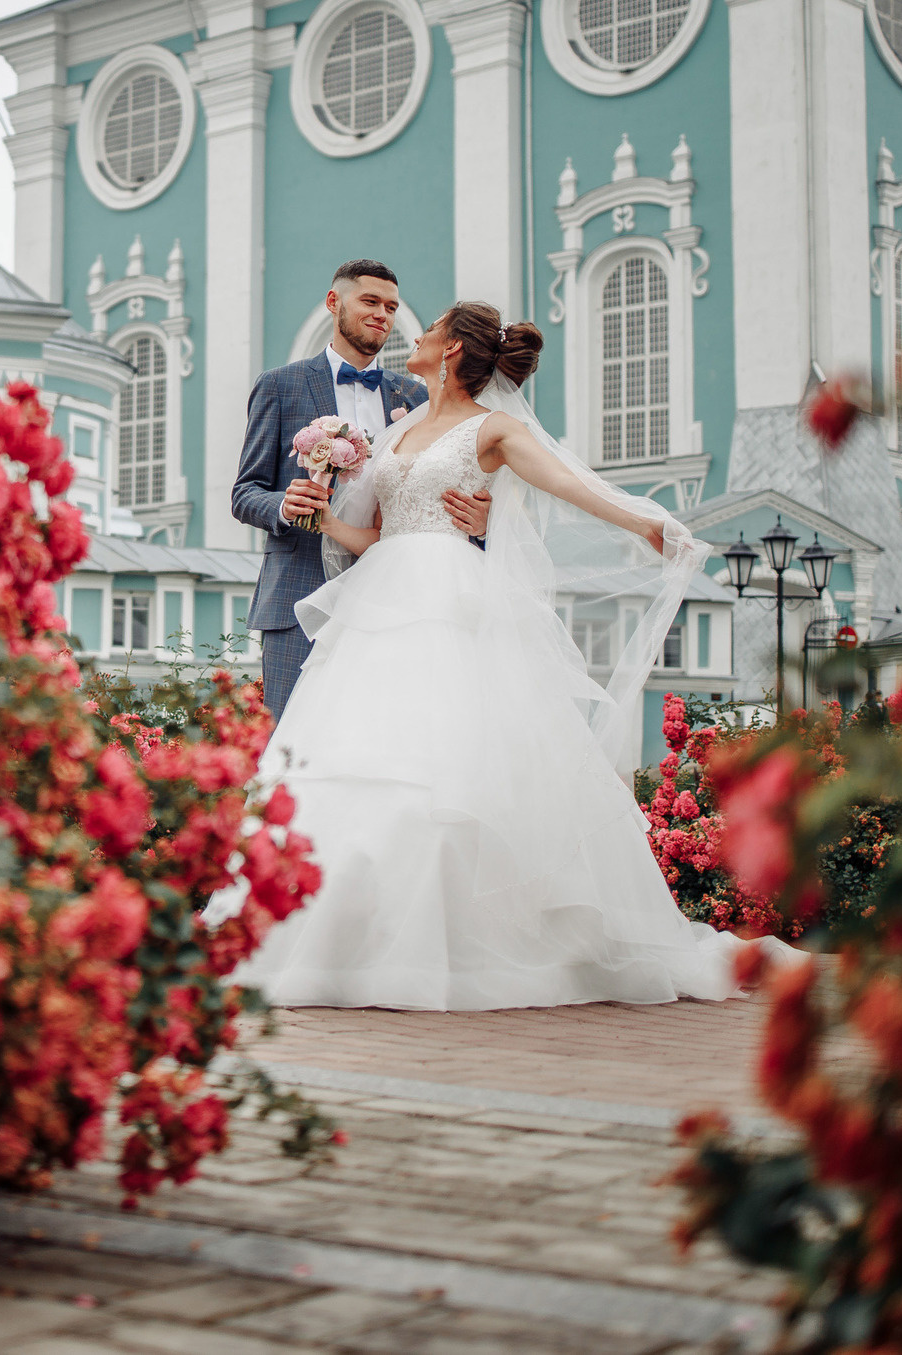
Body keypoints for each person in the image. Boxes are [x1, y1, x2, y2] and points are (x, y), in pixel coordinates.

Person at [236, 301, 773, 1011]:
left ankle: (460, 943)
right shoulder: (399, 429)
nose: (414, 337)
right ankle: (339, 938)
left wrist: (645, 520)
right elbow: (378, 536)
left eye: (426, 331)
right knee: (359, 764)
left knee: (449, 772)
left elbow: (564, 482)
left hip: (448, 602)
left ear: (452, 349)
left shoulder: (493, 428)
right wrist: (325, 517)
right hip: (381, 600)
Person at [231, 260, 490, 717]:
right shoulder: (280, 385)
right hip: (299, 595)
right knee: (290, 745)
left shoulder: (414, 396)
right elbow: (246, 492)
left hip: (397, 598)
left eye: (390, 307)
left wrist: (480, 521)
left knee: (381, 735)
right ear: (335, 302)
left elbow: (445, 483)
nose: (382, 315)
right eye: (369, 301)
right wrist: (284, 506)